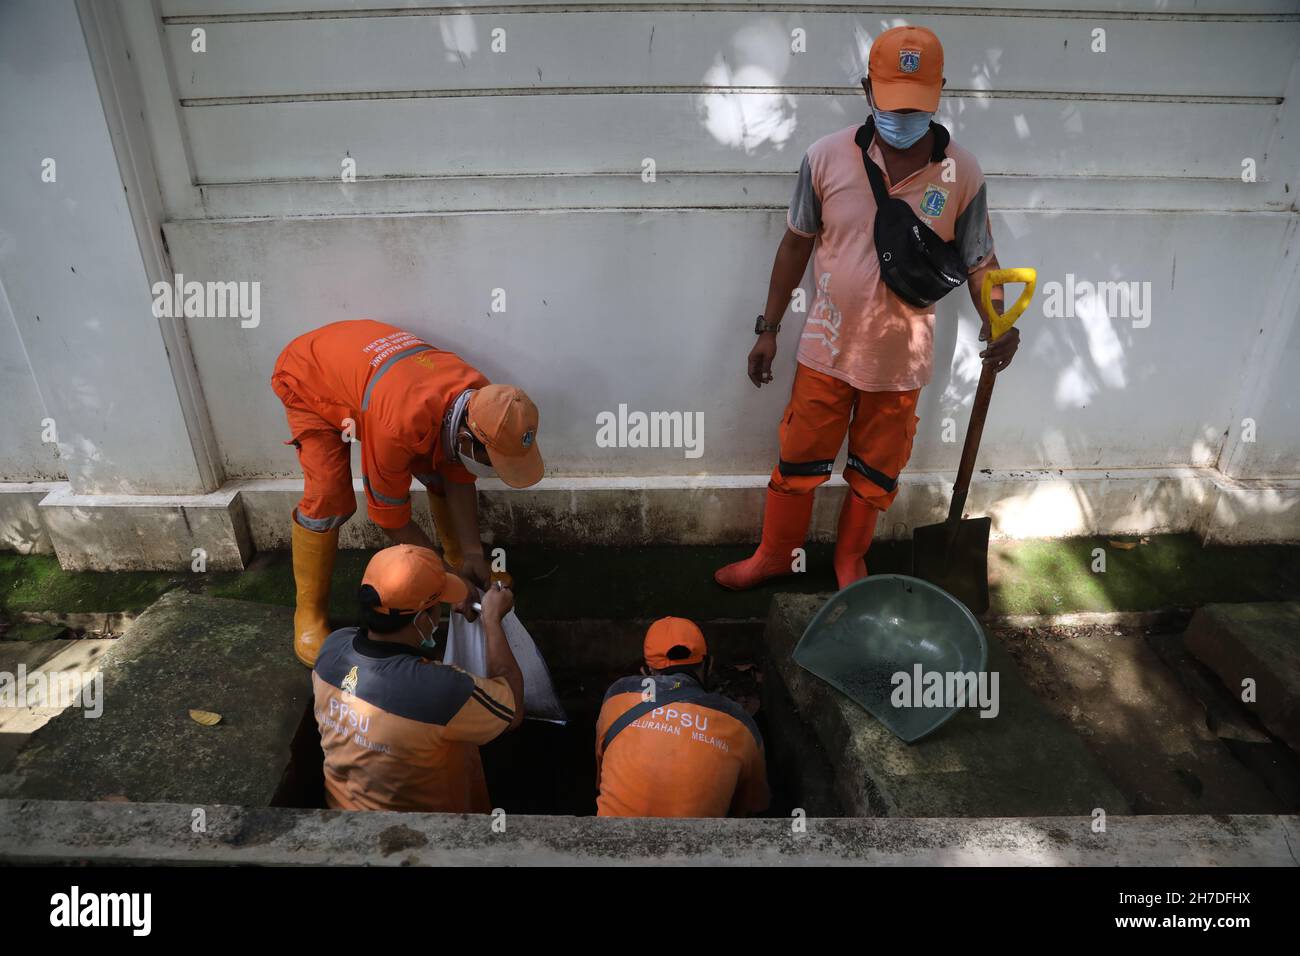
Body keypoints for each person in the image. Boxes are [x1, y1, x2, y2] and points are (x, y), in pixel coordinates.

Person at [715, 25, 1019, 592]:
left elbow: (982, 262)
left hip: (900, 364)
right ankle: (775, 555)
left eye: (918, 103)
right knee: (797, 461)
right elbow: (795, 243)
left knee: (876, 475)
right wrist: (768, 329)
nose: (903, 115)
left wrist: (1000, 322)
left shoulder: (963, 174)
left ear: (941, 91)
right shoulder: (824, 157)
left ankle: (850, 562)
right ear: (866, 89)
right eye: (892, 100)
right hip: (825, 351)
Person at [271, 318, 544, 666]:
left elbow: (457, 472)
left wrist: (472, 555)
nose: (495, 469)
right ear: (466, 437)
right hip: (310, 375)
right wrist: (446, 580)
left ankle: (458, 559)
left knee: (438, 467)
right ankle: (308, 613)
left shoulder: (486, 402)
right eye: (493, 461)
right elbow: (389, 516)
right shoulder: (396, 426)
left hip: (366, 367)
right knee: (329, 499)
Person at [312, 544, 523, 813]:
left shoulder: (332, 649)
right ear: (423, 621)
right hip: (427, 837)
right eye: (438, 607)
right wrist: (492, 619)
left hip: (343, 821)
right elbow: (513, 709)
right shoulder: (441, 690)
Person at [594, 617, 768, 817]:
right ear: (709, 664)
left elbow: (601, 780)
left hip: (610, 842)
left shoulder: (617, 696)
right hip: (697, 846)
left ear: (646, 671)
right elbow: (754, 806)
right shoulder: (741, 723)